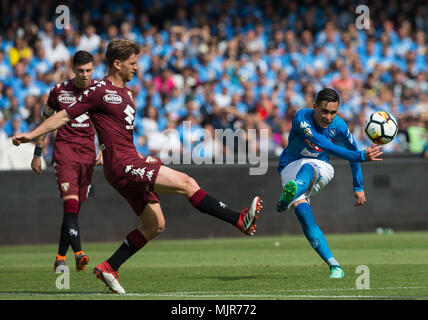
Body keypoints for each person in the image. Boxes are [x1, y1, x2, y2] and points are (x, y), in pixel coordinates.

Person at [12, 39, 262, 294]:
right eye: (132, 63)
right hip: (123, 165)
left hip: (129, 160)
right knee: (187, 183)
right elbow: (64, 115)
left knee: (156, 225)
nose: (137, 68)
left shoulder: (127, 94)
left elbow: (119, 136)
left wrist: (139, 156)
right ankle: (239, 220)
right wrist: (32, 136)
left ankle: (109, 267)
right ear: (117, 64)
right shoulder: (98, 90)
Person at [276, 88, 383, 279]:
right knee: (304, 215)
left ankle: (289, 196)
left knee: (309, 168)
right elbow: (325, 145)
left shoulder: (339, 126)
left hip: (321, 167)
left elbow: (353, 152)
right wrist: (359, 155)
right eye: (324, 111)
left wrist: (358, 186)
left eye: (333, 112)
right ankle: (335, 266)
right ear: (314, 106)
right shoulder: (302, 117)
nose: (328, 116)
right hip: (289, 165)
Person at [31, 50, 102, 272]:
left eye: (88, 70)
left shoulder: (98, 91)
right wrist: (37, 152)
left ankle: (60, 257)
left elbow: (107, 124)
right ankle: (79, 252)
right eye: (80, 71)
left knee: (72, 212)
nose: (84, 75)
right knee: (70, 205)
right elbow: (46, 120)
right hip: (65, 154)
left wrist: (104, 148)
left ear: (93, 69)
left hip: (88, 157)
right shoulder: (59, 92)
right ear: (73, 70)